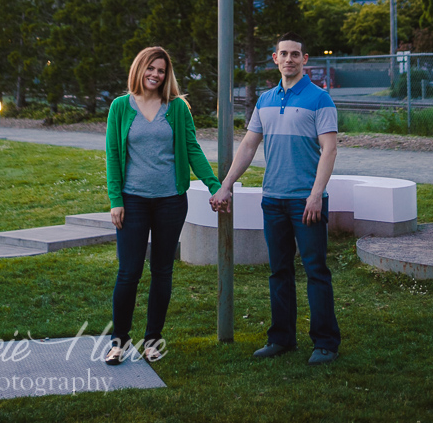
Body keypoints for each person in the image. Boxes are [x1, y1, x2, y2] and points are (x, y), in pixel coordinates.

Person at [211, 33, 341, 365]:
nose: (289, 59)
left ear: (305, 59)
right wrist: (226, 184)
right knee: (279, 271)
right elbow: (249, 146)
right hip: (273, 201)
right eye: (283, 54)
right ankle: (281, 339)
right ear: (275, 58)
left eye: (295, 54)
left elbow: (329, 149)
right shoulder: (266, 100)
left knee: (316, 271)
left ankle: (325, 343)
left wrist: (316, 195)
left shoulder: (319, 99)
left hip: (306, 202)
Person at [104, 46, 222, 364]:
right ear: (139, 69)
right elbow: (113, 155)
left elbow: (192, 149)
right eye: (151, 68)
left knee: (162, 271)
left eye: (161, 70)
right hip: (133, 201)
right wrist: (116, 200)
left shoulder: (177, 108)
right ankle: (119, 341)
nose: (156, 74)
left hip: (170, 201)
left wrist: (215, 185)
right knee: (129, 272)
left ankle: (153, 340)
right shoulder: (119, 107)